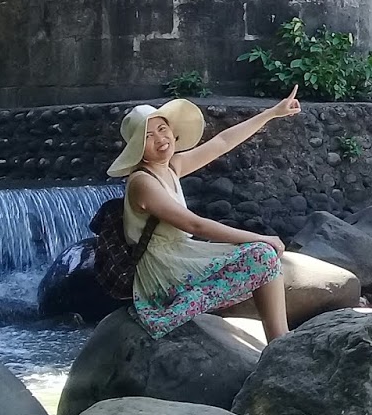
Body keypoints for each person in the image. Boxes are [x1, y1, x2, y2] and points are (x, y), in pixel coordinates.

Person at [106, 88, 302, 340]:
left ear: (173, 131)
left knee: (263, 255)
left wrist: (272, 113)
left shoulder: (171, 166)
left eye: (162, 129)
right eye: (148, 136)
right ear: (138, 148)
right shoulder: (142, 182)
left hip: (181, 255)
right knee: (262, 254)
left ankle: (279, 338)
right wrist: (260, 237)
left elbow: (222, 142)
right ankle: (280, 339)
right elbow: (194, 226)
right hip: (163, 269)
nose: (160, 139)